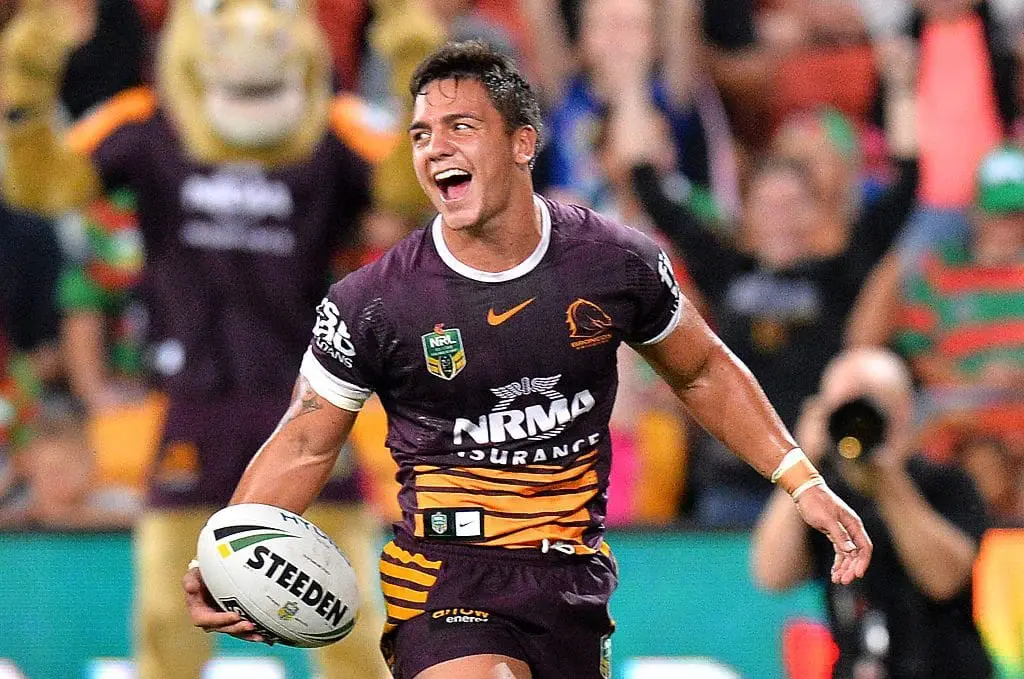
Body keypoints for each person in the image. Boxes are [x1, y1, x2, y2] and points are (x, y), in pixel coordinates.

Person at [184, 41, 872, 679]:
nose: (435, 148)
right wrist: (226, 555)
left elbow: (701, 371)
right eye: (421, 134)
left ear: (522, 143)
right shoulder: (373, 302)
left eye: (460, 126)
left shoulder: (615, 263)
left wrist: (801, 480)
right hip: (443, 575)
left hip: (571, 580)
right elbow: (305, 440)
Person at [751, 347, 992, 679]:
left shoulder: (946, 482)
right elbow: (772, 575)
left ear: (904, 410)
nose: (857, 423)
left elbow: (945, 580)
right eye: (844, 408)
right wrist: (799, 464)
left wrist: (889, 481)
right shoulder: (823, 495)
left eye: (868, 406)